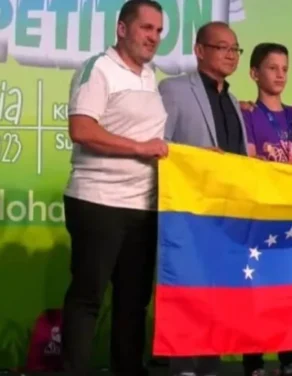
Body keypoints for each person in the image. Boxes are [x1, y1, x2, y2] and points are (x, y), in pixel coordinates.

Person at [60, 1, 168, 375]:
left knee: (133, 301)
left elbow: (156, 139)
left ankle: (128, 369)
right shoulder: (98, 69)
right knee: (88, 297)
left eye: (158, 31)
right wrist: (140, 148)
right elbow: (82, 130)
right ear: (122, 29)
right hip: (97, 200)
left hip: (144, 205)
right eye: (146, 28)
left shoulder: (151, 77)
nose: (153, 37)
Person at [158, 21, 248, 376]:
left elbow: (239, 158)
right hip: (187, 212)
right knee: (186, 292)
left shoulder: (234, 100)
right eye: (221, 47)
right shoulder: (174, 89)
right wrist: (196, 158)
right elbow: (159, 145)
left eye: (235, 49)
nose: (230, 55)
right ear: (199, 50)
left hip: (227, 213)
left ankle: (210, 366)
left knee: (218, 295)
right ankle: (181, 367)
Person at [238, 42, 292, 376]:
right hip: (259, 214)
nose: (280, 75)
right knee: (256, 290)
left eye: (285, 68)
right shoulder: (244, 113)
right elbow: (249, 163)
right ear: (254, 73)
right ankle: (254, 361)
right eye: (272, 68)